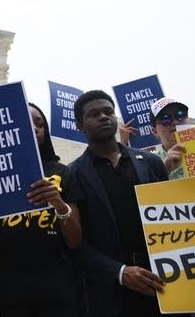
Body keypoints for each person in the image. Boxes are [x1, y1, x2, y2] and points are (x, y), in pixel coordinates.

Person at [0, 102, 82, 317]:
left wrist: (58, 203)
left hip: (56, 282)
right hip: (9, 284)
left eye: (40, 124)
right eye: (28, 123)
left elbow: (74, 240)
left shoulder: (63, 172)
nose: (36, 128)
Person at [66, 90, 172, 316]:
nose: (104, 117)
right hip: (109, 293)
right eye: (94, 114)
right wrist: (120, 272)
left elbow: (173, 220)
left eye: (108, 111)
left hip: (161, 283)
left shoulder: (152, 163)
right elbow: (76, 241)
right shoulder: (73, 175)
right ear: (79, 125)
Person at [148, 97, 189, 179]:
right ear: (155, 131)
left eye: (180, 115)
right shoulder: (149, 162)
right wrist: (164, 170)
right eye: (165, 119)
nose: (175, 122)